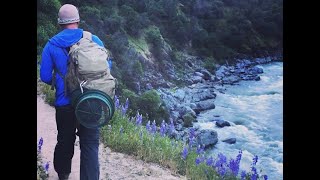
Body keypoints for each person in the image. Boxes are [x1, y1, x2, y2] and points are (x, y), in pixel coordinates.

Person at [40, 4, 104, 180]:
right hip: (90, 102)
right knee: (90, 144)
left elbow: (44, 76)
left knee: (65, 141)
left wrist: (60, 79)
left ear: (60, 22)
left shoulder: (52, 44)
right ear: (77, 20)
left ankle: (64, 176)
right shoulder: (94, 39)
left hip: (65, 103)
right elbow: (106, 67)